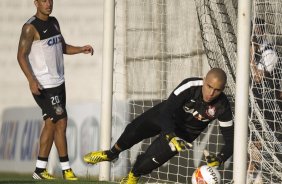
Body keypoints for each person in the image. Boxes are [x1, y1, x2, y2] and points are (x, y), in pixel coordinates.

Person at [84, 68, 234, 184]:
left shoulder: (223, 106)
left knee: (148, 162)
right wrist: (170, 134)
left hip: (185, 133)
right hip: (166, 116)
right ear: (204, 80)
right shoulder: (190, 86)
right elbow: (167, 111)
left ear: (222, 89)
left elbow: (231, 139)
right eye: (209, 86)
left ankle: (133, 176)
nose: (211, 93)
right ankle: (111, 154)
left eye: (217, 90)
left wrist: (221, 158)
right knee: (133, 131)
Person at [17, 0, 93, 180]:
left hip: (59, 83)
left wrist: (81, 48)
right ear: (35, 3)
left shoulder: (54, 22)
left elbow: (62, 47)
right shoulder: (30, 27)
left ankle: (39, 170)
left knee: (51, 123)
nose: (48, 3)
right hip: (43, 85)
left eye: (50, 0)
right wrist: (31, 80)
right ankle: (67, 169)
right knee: (61, 121)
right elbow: (21, 56)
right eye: (43, 0)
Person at [248, 17, 282, 183]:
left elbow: (258, 77)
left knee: (262, 141)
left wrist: (250, 57)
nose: (254, 34)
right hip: (255, 101)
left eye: (256, 30)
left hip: (271, 106)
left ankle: (259, 176)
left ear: (261, 31)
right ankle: (250, 176)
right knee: (253, 141)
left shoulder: (269, 52)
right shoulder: (254, 49)